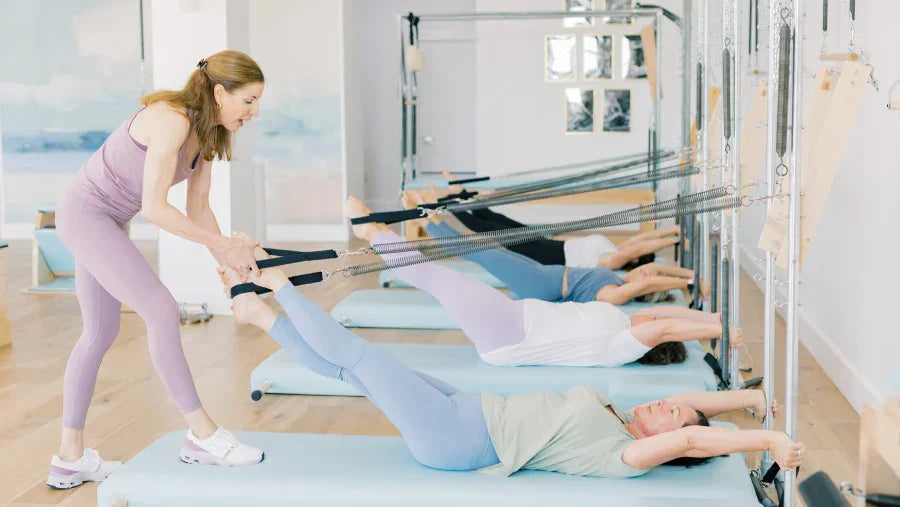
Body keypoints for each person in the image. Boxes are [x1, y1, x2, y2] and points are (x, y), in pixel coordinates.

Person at [216, 260, 805, 479]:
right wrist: (747, 402)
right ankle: (261, 319)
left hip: (458, 438)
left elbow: (696, 434)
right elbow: (697, 417)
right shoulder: (624, 419)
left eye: (667, 416)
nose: (661, 405)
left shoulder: (623, 457)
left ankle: (278, 292)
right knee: (354, 373)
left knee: (362, 355)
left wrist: (770, 437)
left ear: (670, 444)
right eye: (669, 401)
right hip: (470, 408)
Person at [48, 50, 265, 490]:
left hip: (107, 220)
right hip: (86, 215)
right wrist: (224, 245)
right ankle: (202, 435)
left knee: (99, 332)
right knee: (162, 310)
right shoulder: (171, 120)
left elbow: (199, 210)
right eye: (249, 100)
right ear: (220, 93)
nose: (254, 112)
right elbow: (155, 209)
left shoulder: (207, 134)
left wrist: (234, 267)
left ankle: (70, 458)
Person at [347, 197, 736, 367]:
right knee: (455, 267)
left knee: (439, 278)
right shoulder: (625, 324)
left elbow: (665, 323)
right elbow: (664, 313)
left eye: (654, 329)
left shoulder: (623, 345)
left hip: (511, 333)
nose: (651, 320)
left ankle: (375, 233)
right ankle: (385, 232)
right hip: (514, 318)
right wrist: (704, 310)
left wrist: (718, 326)